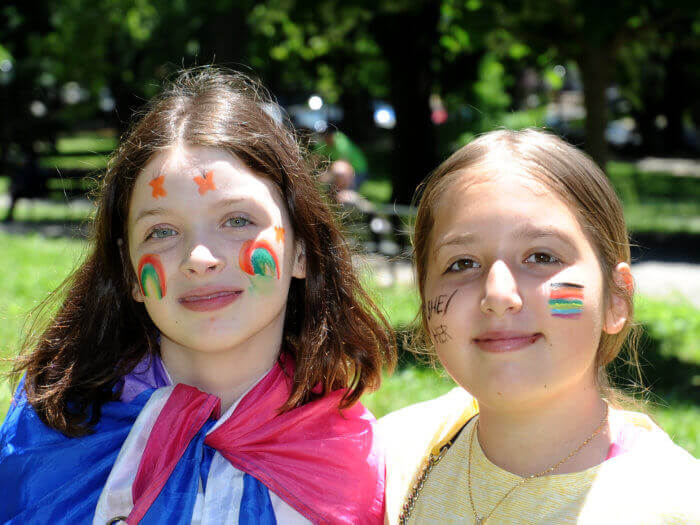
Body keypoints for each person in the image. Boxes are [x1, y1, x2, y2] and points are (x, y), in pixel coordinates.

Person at [0, 68, 395, 524]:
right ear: (129, 271)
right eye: (162, 230)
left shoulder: (360, 465)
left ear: (301, 250)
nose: (200, 258)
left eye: (237, 221)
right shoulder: (44, 442)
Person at [380, 129, 699, 524]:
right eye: (461, 263)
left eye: (542, 256)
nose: (498, 294)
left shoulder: (672, 506)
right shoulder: (392, 454)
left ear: (616, 298)